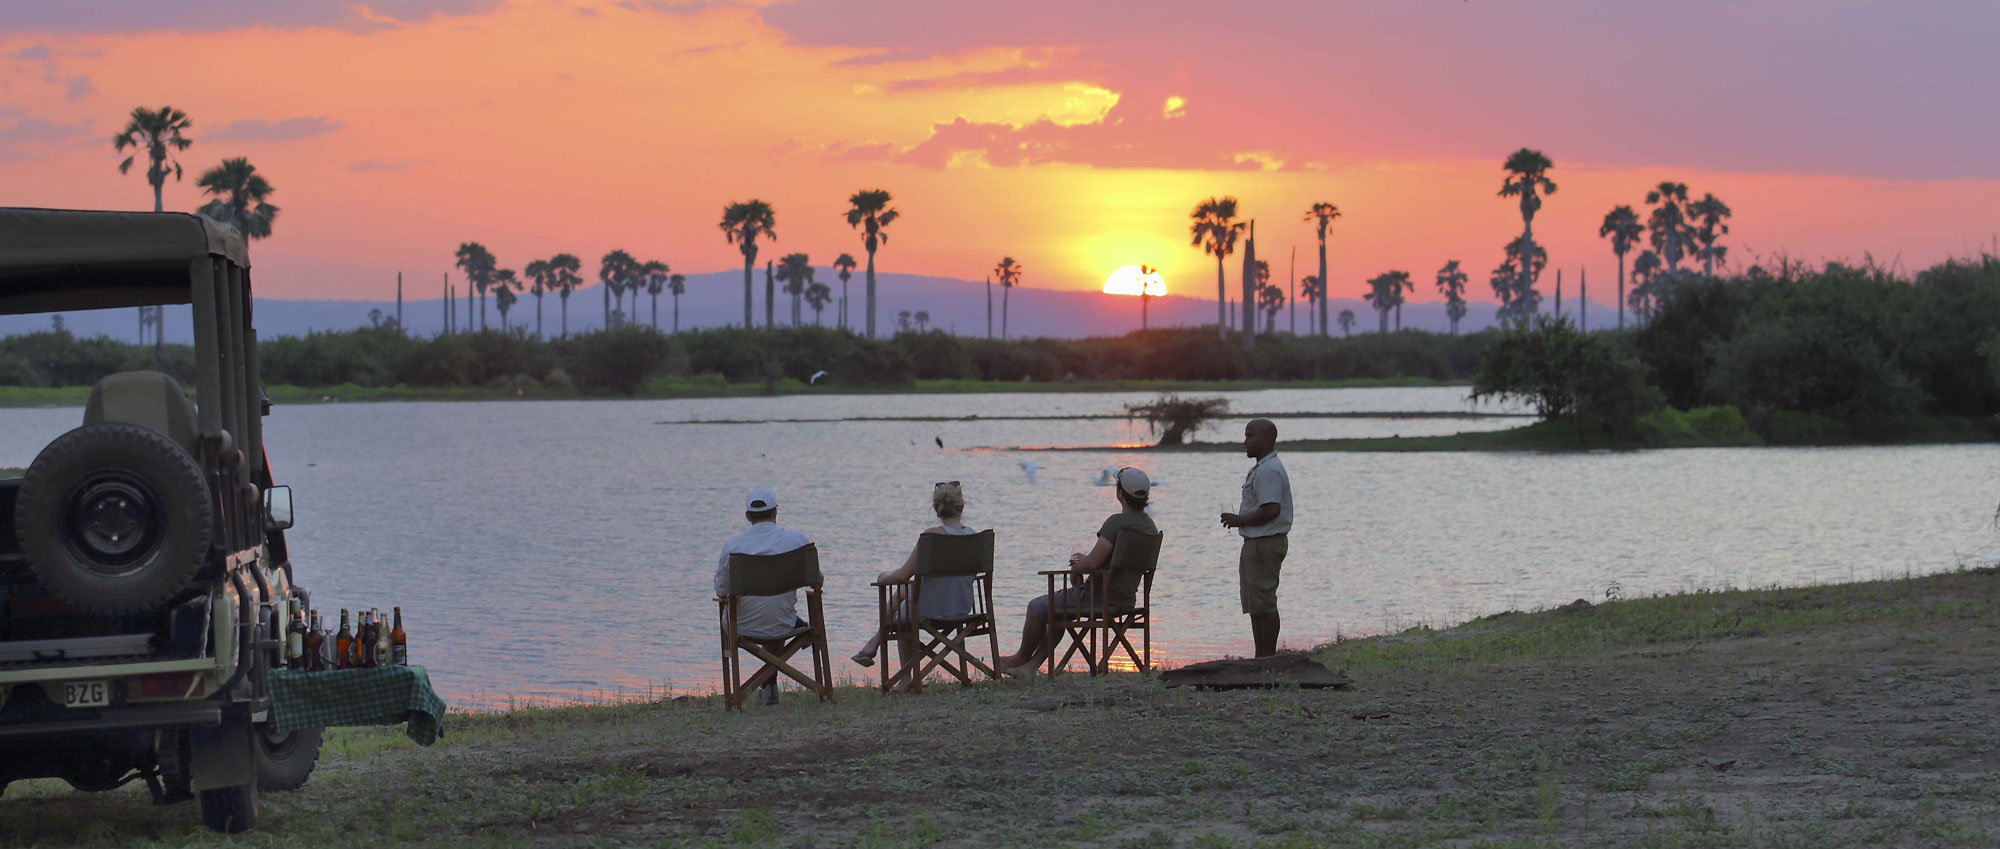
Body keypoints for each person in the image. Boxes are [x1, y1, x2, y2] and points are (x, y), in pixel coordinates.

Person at [995, 467, 1157, 675]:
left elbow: (1091, 564)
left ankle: (1021, 658)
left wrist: (1077, 567)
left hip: (1096, 599)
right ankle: (1030, 667)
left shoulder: (1117, 523)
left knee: (1036, 607)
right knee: (1058, 611)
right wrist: (1087, 561)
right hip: (1126, 599)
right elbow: (1108, 559)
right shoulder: (1149, 527)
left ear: (1120, 493)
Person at [850, 481, 979, 674]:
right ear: (962, 506)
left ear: (936, 509)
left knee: (902, 612)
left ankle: (903, 676)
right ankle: (874, 643)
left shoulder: (932, 536)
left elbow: (903, 575)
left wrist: (883, 577)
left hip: (931, 609)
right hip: (962, 606)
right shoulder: (973, 536)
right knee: (904, 593)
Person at [714, 486, 813, 705]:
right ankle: (770, 686)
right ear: (775, 513)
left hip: (741, 625)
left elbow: (721, 590)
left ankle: (762, 688)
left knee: (758, 610)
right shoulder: (797, 540)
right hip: (784, 621)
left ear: (748, 516)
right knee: (775, 613)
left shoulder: (733, 546)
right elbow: (816, 581)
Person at [1220, 418, 1292, 657]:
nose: (1245, 442)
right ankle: (1260, 657)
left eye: (1250, 436)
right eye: (1245, 435)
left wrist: (1239, 520)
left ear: (1268, 439)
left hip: (1266, 543)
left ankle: (1267, 658)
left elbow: (1271, 510)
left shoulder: (1269, 470)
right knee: (1255, 605)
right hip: (1256, 542)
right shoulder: (1263, 468)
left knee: (1264, 602)